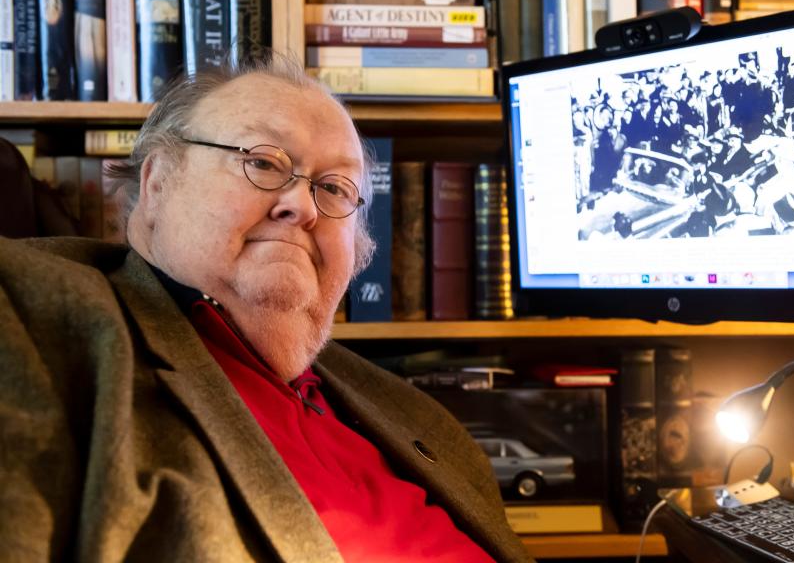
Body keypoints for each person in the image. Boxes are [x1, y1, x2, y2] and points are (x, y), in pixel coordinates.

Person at [0, 57, 532, 562]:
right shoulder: (35, 315)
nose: (301, 205)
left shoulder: (419, 416)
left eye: (333, 188)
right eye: (262, 162)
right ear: (158, 182)